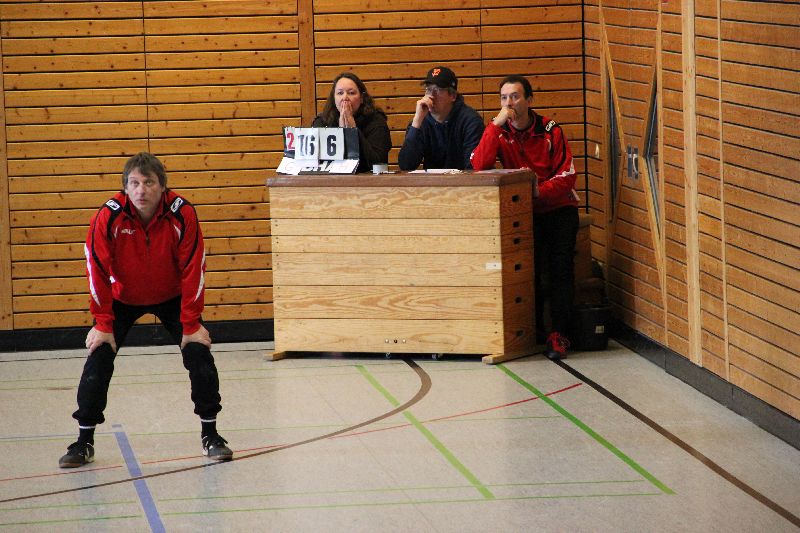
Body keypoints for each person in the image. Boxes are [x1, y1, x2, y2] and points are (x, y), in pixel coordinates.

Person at [58, 152, 233, 468]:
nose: (141, 190)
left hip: (172, 296)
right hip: (122, 298)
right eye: (134, 183)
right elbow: (96, 268)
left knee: (199, 355)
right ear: (125, 187)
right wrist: (103, 323)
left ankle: (211, 434)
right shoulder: (107, 217)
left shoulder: (182, 214)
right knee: (99, 357)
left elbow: (194, 267)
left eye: (149, 183)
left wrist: (191, 323)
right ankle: (83, 441)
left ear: (162, 187)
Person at [470, 75, 579, 360]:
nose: (509, 103)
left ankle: (559, 334)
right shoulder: (499, 131)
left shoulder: (550, 130)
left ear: (529, 100)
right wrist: (494, 126)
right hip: (522, 214)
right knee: (525, 273)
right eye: (504, 98)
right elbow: (479, 165)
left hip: (557, 210)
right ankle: (533, 333)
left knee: (559, 272)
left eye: (515, 97)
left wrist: (537, 192)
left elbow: (567, 175)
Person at [398, 66, 484, 171]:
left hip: (463, 180)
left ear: (453, 96)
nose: (431, 96)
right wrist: (416, 123)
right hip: (431, 181)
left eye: (438, 90)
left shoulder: (470, 121)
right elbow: (406, 165)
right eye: (428, 89)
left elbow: (472, 167)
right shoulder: (421, 121)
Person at [312, 72, 391, 173]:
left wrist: (353, 131)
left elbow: (378, 162)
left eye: (351, 93)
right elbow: (315, 162)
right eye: (340, 93)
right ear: (334, 98)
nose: (345, 98)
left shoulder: (376, 121)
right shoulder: (322, 121)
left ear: (361, 98)